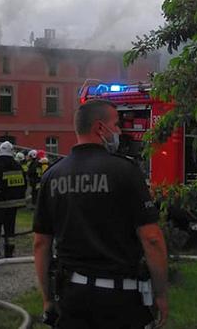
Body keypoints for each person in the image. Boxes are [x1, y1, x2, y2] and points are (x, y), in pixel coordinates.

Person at [33, 99, 169, 328]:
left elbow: (40, 244)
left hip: (72, 297)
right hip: (121, 300)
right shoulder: (125, 171)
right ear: (100, 128)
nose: (118, 131)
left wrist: (47, 299)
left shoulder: (52, 176)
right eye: (116, 125)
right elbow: (152, 238)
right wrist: (161, 294)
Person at [0, 141, 27, 260]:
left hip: (0, 204)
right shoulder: (18, 165)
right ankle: (9, 251)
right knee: (10, 228)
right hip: (13, 205)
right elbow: (24, 183)